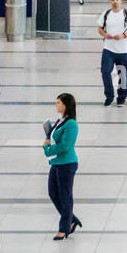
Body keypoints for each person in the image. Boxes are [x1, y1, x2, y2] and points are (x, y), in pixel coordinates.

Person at [43, 93, 81, 240]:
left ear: (66, 105)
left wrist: (47, 150)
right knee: (53, 193)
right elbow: (54, 138)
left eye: (58, 102)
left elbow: (65, 146)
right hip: (57, 163)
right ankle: (71, 219)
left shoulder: (71, 124)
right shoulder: (61, 120)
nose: (56, 105)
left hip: (67, 164)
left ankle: (64, 228)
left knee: (65, 196)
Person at [98, 0, 127, 107]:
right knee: (105, 71)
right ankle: (109, 96)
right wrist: (105, 34)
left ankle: (121, 97)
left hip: (123, 51)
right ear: (110, 1)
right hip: (108, 50)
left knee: (122, 75)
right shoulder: (106, 14)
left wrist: (124, 35)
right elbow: (100, 28)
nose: (115, 1)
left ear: (121, 1)